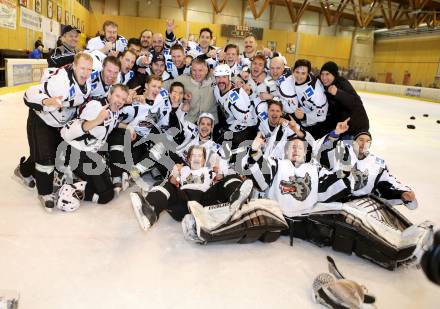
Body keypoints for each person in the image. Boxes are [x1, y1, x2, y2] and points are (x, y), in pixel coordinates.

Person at [14, 53, 93, 211]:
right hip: (41, 120)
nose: (85, 72)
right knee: (45, 158)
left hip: (59, 124)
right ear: (74, 66)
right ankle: (45, 193)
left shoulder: (87, 84)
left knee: (46, 153)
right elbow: (29, 93)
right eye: (82, 68)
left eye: (89, 69)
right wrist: (46, 101)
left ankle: (23, 170)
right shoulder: (60, 81)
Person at [129, 145, 254, 230]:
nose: (197, 158)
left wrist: (221, 175)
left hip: (206, 202)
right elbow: (172, 183)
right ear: (188, 159)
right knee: (163, 184)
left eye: (200, 156)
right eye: (193, 155)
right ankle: (150, 211)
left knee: (231, 177)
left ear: (204, 160)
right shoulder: (183, 170)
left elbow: (223, 179)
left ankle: (238, 201)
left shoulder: (209, 170)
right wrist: (174, 174)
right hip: (184, 203)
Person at [56, 84, 129, 212]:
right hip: (75, 152)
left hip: (89, 154)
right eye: (117, 96)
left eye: (123, 99)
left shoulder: (114, 111)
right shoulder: (96, 106)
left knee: (108, 193)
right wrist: (97, 120)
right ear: (110, 94)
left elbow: (114, 122)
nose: (120, 101)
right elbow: (80, 126)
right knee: (105, 196)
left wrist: (129, 128)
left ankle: (76, 182)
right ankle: (69, 185)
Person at [320, 130, 418, 209]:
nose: (364, 143)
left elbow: (388, 182)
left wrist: (403, 193)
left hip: (358, 207)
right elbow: (322, 153)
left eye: (367, 141)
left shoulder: (377, 163)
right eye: (361, 140)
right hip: (332, 202)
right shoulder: (340, 153)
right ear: (354, 141)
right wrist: (334, 134)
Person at [213, 64, 258, 150]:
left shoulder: (235, 98)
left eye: (224, 77)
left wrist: (228, 130)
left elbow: (245, 119)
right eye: (218, 77)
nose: (221, 80)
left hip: (246, 126)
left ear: (229, 78)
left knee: (224, 145)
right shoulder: (216, 89)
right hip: (231, 120)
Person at [320, 61, 369, 137]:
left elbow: (356, 103)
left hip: (356, 128)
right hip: (343, 127)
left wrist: (338, 93)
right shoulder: (327, 84)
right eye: (322, 74)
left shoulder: (342, 83)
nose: (324, 77)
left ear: (334, 74)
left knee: (346, 148)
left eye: (327, 74)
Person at [290, 59, 328, 139]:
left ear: (308, 73)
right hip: (298, 120)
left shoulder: (316, 92)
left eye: (303, 73)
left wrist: (304, 116)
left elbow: (322, 114)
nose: (299, 76)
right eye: (297, 72)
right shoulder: (292, 78)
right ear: (293, 71)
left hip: (314, 127)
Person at [175, 58, 217, 123]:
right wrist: (183, 96)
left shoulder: (214, 78)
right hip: (189, 121)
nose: (197, 73)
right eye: (194, 70)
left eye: (200, 70)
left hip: (210, 121)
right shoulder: (183, 79)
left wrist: (237, 81)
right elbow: (168, 85)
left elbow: (228, 79)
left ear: (206, 71)